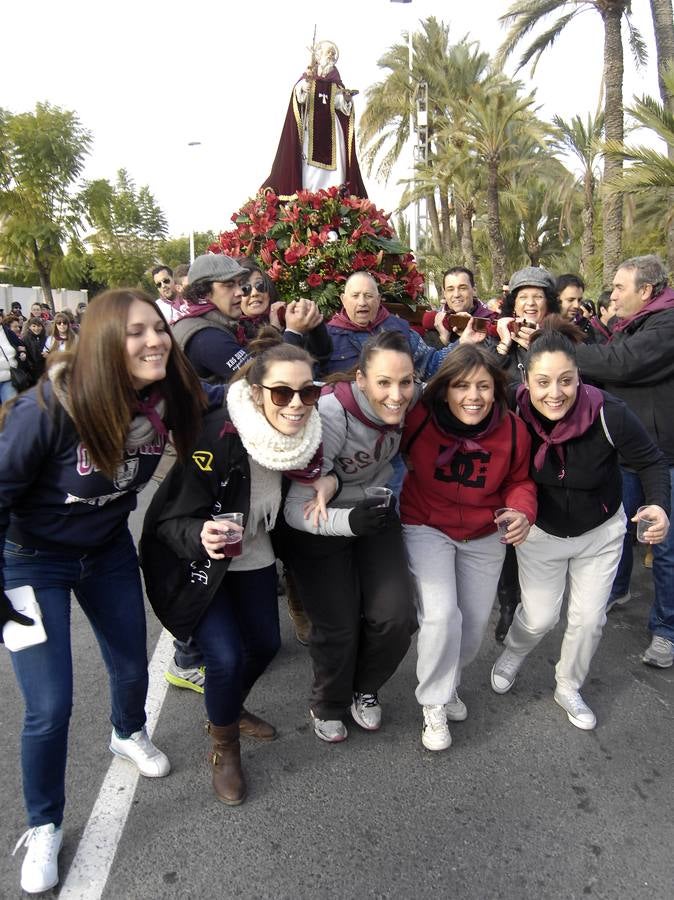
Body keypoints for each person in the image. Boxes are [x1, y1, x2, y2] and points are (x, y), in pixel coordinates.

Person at [0, 289, 206, 894]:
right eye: (135, 332)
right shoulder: (48, 409)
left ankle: (127, 731)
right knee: (48, 706)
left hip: (108, 552)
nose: (154, 341)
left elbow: (227, 405)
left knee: (130, 665)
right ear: (101, 343)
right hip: (28, 563)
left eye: (159, 328)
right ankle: (43, 825)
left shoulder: (167, 392)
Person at [140, 332, 323, 805]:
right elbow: (166, 519)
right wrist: (199, 533)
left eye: (308, 391)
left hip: (254, 548)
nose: (297, 404)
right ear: (256, 392)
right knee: (223, 657)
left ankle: (225, 708)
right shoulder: (219, 434)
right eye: (282, 393)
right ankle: (225, 747)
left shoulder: (307, 437)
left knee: (263, 643)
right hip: (203, 556)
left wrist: (330, 482)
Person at [491, 322, 670, 729]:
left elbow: (651, 461)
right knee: (538, 618)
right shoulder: (512, 411)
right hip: (540, 532)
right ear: (526, 381)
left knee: (589, 619)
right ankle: (515, 652)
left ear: (579, 378)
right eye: (543, 382)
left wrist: (659, 505)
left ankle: (568, 684)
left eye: (566, 381)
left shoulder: (609, 412)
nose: (555, 393)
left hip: (601, 533)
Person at [281, 330, 417, 743]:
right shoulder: (330, 416)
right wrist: (348, 519)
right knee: (338, 625)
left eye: (406, 382)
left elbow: (468, 391)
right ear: (360, 379)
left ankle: (365, 687)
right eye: (384, 383)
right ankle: (329, 701)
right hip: (321, 525)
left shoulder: (413, 399)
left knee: (397, 617)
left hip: (374, 512)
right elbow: (294, 511)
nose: (396, 395)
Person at [400, 345, 536, 751]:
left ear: (496, 389)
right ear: (444, 390)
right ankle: (434, 702)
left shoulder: (513, 430)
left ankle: (449, 682)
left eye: (483, 386)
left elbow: (521, 480)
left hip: (484, 533)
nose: (473, 396)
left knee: (473, 626)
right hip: (426, 524)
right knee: (441, 616)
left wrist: (522, 510)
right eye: (461, 386)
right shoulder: (419, 420)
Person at [574, 255, 674, 668]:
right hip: (626, 452)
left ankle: (666, 630)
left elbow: (623, 364)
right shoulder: (630, 325)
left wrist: (563, 353)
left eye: (619, 287)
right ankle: (618, 590)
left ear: (645, 292)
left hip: (663, 459)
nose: (611, 295)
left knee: (664, 546)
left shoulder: (667, 324)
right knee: (616, 531)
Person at [488, 267, 561, 641]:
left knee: (543, 526)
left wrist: (542, 344)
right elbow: (481, 379)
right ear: (512, 304)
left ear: (548, 302)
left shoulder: (563, 338)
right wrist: (503, 345)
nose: (530, 303)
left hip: (551, 449)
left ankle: (540, 605)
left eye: (537, 296)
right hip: (507, 449)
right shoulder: (498, 341)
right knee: (510, 527)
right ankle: (507, 603)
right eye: (523, 297)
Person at [173, 254, 323, 385]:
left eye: (239, 284)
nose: (240, 292)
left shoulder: (210, 323)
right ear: (202, 293)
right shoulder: (207, 338)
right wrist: (293, 332)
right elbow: (263, 379)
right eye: (229, 285)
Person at [261, 39, 367, 199]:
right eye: (328, 52)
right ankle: (309, 198)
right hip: (310, 131)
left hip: (332, 132)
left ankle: (333, 198)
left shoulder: (336, 84)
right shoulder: (308, 79)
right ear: (318, 56)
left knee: (337, 165)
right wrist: (303, 87)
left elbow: (341, 105)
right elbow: (299, 98)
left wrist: (345, 98)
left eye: (333, 54)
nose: (331, 56)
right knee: (308, 167)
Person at [324, 271, 453, 378]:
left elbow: (431, 364)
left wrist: (463, 342)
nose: (362, 302)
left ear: (379, 299)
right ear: (343, 299)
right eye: (355, 296)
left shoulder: (400, 329)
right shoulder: (327, 336)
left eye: (368, 296)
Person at [21, 318, 47, 382]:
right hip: (32, 370)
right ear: (29, 327)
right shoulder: (25, 338)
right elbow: (24, 351)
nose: (36, 328)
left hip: (45, 368)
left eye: (39, 326)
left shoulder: (46, 338)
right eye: (34, 326)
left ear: (42, 327)